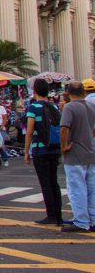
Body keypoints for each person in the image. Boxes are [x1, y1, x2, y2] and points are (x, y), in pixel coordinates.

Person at [24, 78, 63, 226]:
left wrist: (26, 151)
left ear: (34, 91)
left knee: (45, 183)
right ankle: (58, 215)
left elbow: (29, 131)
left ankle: (51, 215)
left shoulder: (33, 108)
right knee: (54, 182)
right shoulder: (54, 107)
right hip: (54, 148)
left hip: (40, 149)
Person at [60, 81, 95, 233]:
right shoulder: (91, 106)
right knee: (91, 188)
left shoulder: (70, 107)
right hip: (90, 151)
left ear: (68, 93)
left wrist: (63, 146)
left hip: (75, 153)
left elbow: (64, 128)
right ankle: (92, 219)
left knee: (76, 188)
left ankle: (81, 220)